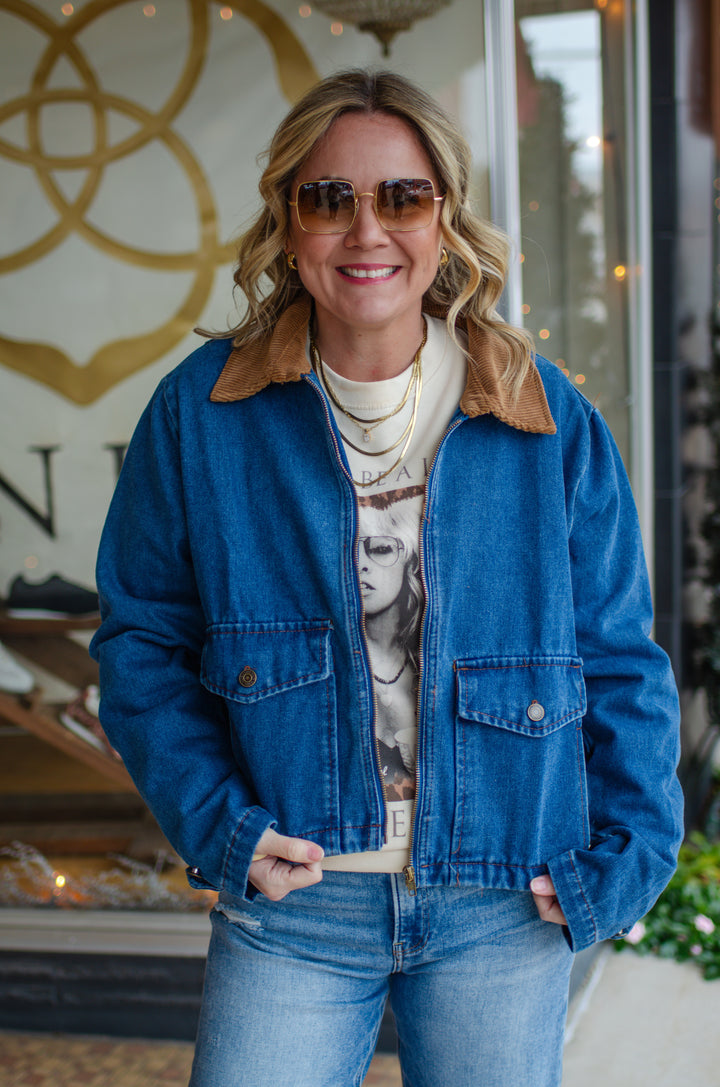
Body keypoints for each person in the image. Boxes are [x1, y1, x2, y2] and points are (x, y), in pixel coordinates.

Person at [90, 69, 684, 1087]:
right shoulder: (202, 415)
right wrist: (223, 826)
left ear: (445, 218)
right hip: (296, 901)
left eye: (402, 197)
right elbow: (141, 645)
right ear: (288, 219)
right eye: (331, 199)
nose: (368, 232)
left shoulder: (544, 419)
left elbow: (620, 653)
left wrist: (629, 855)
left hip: (504, 894)